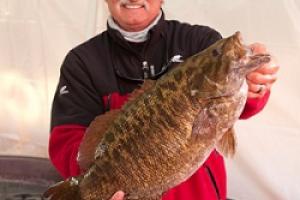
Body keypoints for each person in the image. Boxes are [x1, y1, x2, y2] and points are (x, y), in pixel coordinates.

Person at [49, 0, 279, 200]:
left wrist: (254, 83)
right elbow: (64, 140)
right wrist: (101, 185)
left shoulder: (200, 41)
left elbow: (241, 106)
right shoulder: (81, 62)